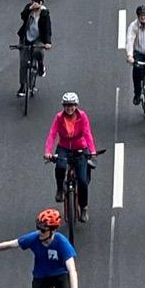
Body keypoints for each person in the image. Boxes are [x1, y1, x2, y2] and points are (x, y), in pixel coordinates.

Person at [0, 211, 77, 288]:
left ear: (53, 231)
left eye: (43, 230)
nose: (39, 232)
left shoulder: (62, 242)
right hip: (40, 276)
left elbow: (72, 270)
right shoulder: (34, 238)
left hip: (59, 275)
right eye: (38, 228)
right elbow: (9, 244)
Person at [44, 92, 98, 221]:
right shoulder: (59, 117)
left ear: (76, 105)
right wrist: (48, 151)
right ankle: (60, 190)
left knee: (82, 181)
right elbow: (52, 134)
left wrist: (92, 150)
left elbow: (87, 133)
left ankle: (83, 207)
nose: (70, 108)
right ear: (63, 106)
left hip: (80, 148)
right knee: (60, 167)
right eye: (67, 105)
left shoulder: (82, 116)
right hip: (63, 147)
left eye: (72, 105)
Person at [17, 0, 53, 86]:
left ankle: (40, 66)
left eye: (37, 1)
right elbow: (22, 16)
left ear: (41, 2)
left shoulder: (44, 13)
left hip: (38, 39)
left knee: (38, 52)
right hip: (26, 37)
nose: (35, 3)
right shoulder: (28, 9)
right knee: (23, 63)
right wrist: (29, 9)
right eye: (33, 0)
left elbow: (47, 29)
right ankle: (23, 86)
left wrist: (48, 42)